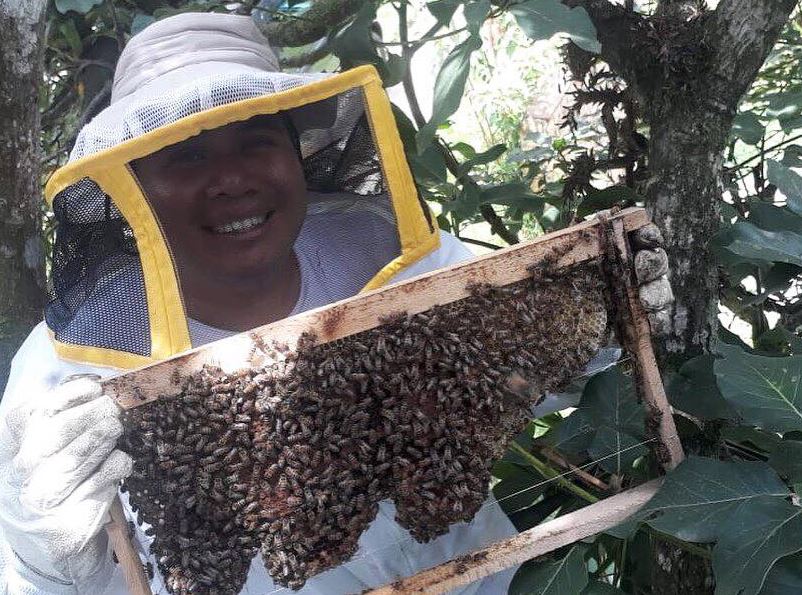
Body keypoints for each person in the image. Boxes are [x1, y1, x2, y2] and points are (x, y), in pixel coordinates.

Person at [0, 12, 673, 595]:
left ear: (299, 155)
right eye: (185, 157)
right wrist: (47, 552)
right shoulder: (62, 378)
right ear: (134, 193)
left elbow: (516, 380)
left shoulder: (399, 262)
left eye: (255, 140)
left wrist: (599, 315)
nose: (230, 180)